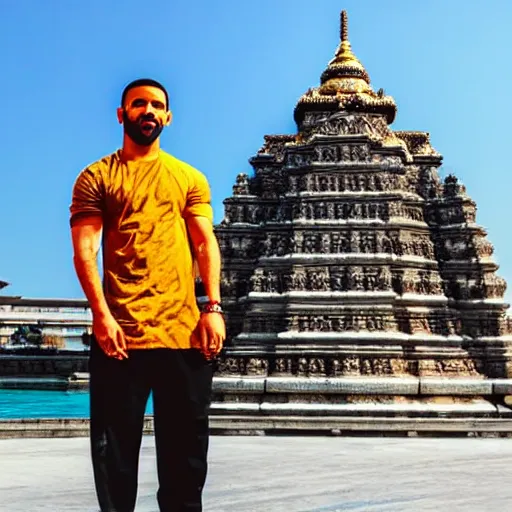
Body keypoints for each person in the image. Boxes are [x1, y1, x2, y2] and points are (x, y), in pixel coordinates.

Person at [69, 78, 225, 512]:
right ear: (122, 114)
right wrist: (101, 315)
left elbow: (203, 243)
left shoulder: (188, 178)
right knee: (114, 458)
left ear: (168, 116)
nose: (148, 111)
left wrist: (212, 306)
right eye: (138, 104)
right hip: (120, 336)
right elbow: (86, 249)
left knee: (186, 461)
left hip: (184, 335)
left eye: (156, 105)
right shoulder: (97, 177)